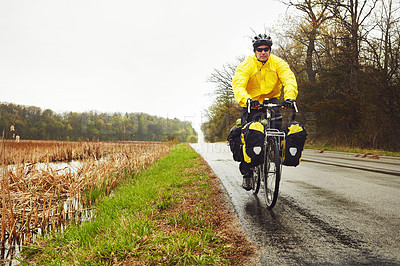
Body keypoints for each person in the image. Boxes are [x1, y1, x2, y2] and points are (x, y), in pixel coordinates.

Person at [231, 33, 298, 190]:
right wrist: (247, 100)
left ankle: (271, 152)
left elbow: (289, 80)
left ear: (269, 50)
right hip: (251, 102)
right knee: (248, 135)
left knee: (276, 130)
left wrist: (289, 98)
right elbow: (238, 85)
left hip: (271, 101)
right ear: (255, 50)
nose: (263, 52)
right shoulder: (247, 65)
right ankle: (247, 174)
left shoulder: (278, 63)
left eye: (266, 49)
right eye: (259, 49)